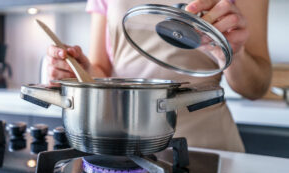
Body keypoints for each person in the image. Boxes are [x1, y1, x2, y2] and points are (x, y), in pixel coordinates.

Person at [44, 0, 272, 152]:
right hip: (125, 143)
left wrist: (233, 52)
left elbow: (255, 88)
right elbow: (100, 72)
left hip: (208, 143)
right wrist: (77, 69)